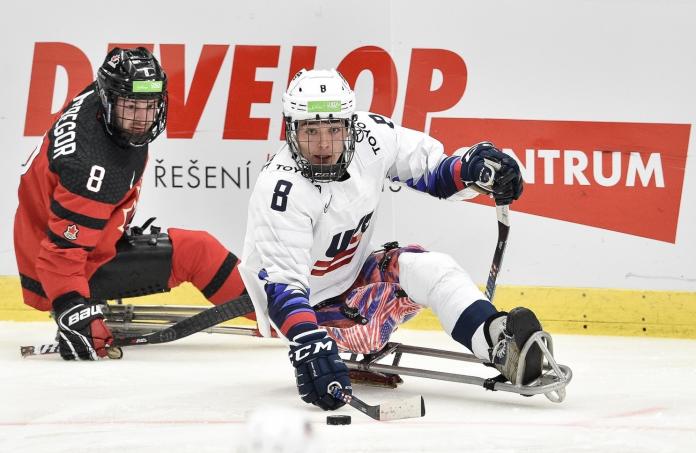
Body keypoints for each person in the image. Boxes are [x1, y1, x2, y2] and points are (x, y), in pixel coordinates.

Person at [239, 68, 544, 411]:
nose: (324, 145)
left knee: (434, 268)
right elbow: (283, 289)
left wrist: (478, 170)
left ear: (350, 126)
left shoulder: (372, 136)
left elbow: (434, 171)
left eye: (334, 130)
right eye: (311, 131)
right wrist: (309, 343)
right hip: (312, 313)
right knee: (370, 311)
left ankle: (496, 341)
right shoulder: (280, 190)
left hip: (354, 276)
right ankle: (341, 335)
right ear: (292, 131)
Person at [14, 47, 246, 361]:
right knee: (197, 251)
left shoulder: (103, 99)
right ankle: (285, 315)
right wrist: (72, 310)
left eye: (149, 106)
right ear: (110, 100)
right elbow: (59, 257)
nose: (140, 119)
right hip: (63, 270)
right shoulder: (94, 169)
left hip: (56, 237)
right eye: (131, 107)